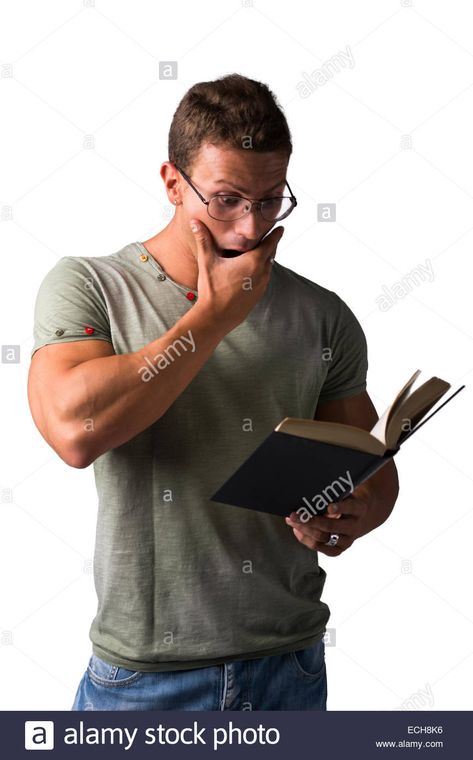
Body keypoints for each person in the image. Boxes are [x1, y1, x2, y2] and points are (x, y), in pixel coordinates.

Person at [27, 73, 399, 711]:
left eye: (270, 200)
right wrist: (213, 317)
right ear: (173, 182)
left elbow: (368, 466)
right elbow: (73, 431)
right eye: (226, 199)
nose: (250, 225)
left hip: (290, 667)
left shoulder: (324, 315)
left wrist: (353, 515)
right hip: (147, 680)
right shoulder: (90, 286)